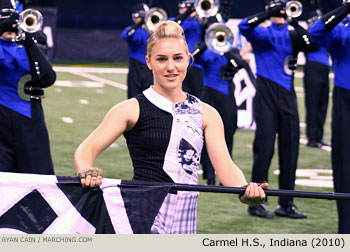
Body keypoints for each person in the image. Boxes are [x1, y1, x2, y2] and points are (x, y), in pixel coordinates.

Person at [74, 20, 268, 234]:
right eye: (161, 59)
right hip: (141, 217)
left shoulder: (207, 113)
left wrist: (244, 190)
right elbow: (86, 150)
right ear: (148, 62)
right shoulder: (130, 109)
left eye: (177, 58)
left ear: (188, 60)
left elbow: (225, 166)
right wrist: (86, 170)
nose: (170, 67)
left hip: (186, 220)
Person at [238, 0, 319, 219]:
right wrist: (268, 14)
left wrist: (293, 20)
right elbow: (244, 26)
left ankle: (286, 203)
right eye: (277, 11)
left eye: (282, 11)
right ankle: (255, 202)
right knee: (264, 150)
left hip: (288, 98)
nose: (280, 14)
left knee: (290, 151)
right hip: (266, 98)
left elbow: (313, 44)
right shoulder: (263, 35)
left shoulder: (293, 35)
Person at [0, 0, 56, 174]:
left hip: (30, 117)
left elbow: (47, 79)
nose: (11, 25)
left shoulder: (28, 43)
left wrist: (31, 44)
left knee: (36, 176)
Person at [309, 0, 350, 234]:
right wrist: (346, 8)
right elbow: (315, 31)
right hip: (345, 100)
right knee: (344, 168)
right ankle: (346, 231)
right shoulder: (342, 33)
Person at [303, 11, 331, 148]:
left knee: (322, 105)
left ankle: (318, 136)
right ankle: (311, 137)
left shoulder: (324, 36)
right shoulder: (309, 36)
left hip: (325, 71)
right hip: (312, 70)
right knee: (313, 104)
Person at [121, 3, 153, 99]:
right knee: (133, 98)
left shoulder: (152, 30)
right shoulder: (131, 30)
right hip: (135, 69)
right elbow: (125, 36)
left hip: (149, 68)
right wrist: (139, 23)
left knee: (149, 99)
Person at [174, 0, 204, 98]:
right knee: (180, 96)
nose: (185, 10)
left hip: (197, 64)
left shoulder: (199, 21)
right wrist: (188, 12)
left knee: (199, 96)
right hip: (179, 63)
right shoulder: (175, 21)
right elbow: (174, 26)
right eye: (183, 8)